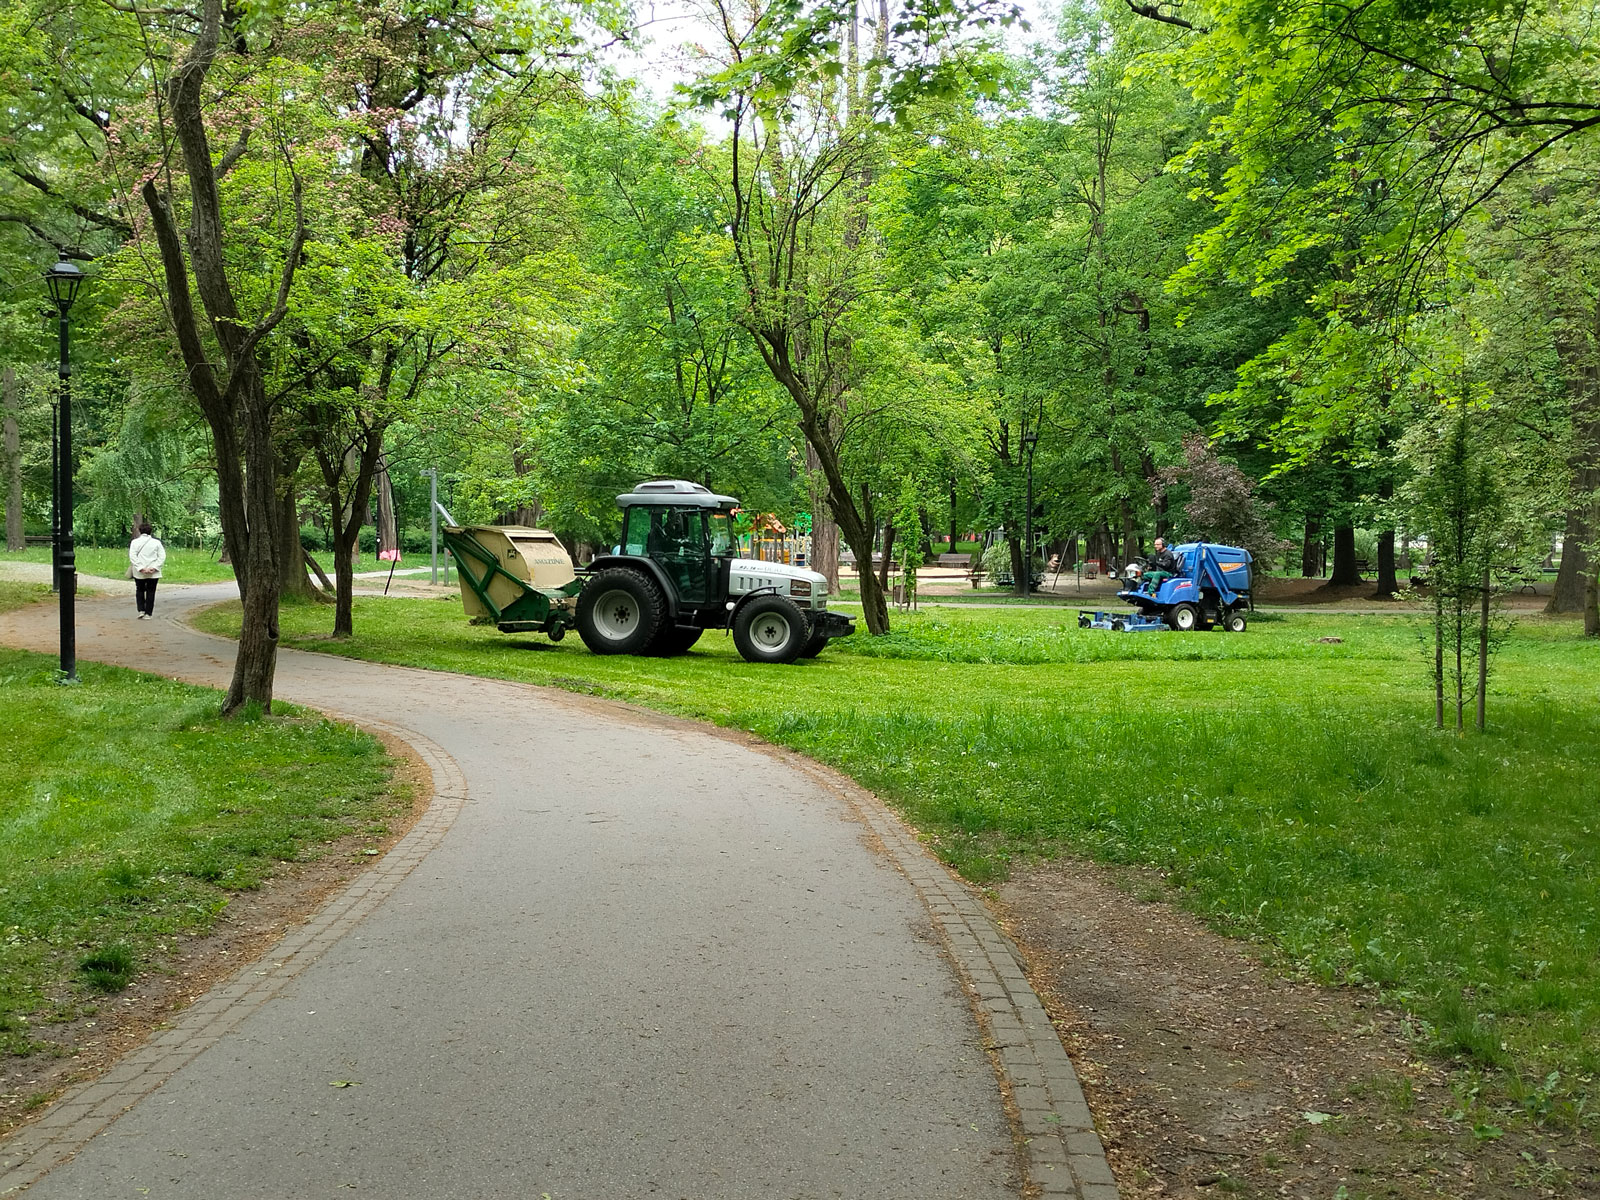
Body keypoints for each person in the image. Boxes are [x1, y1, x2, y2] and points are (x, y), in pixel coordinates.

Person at [128, 522, 166, 619]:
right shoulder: (157, 543)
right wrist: (155, 567)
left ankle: (141, 610)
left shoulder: (135, 542)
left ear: (140, 531)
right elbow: (162, 556)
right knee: (151, 591)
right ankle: (148, 613)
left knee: (139, 590)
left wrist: (140, 567)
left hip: (139, 572)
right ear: (150, 531)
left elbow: (133, 556)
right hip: (154, 572)